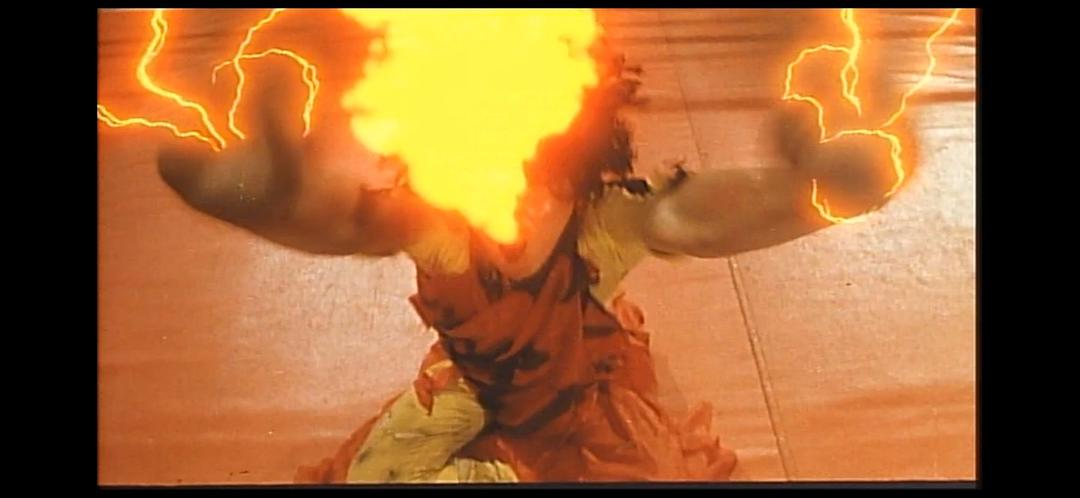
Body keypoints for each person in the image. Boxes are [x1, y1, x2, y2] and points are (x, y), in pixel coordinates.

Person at [156, 50, 906, 483]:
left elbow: (691, 217)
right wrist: (266, 196)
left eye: (537, 182)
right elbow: (352, 222)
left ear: (576, 170)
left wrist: (814, 191)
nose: (511, 210)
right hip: (472, 387)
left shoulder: (604, 223)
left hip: (580, 414)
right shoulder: (444, 225)